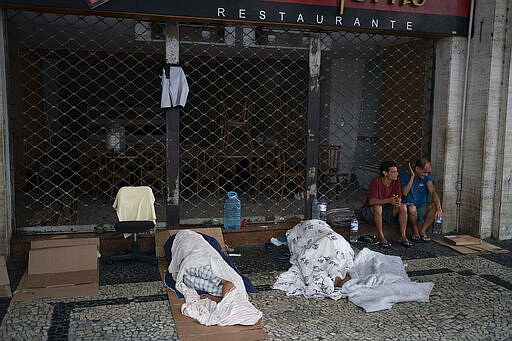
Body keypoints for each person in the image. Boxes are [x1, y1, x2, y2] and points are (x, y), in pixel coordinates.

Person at [361, 160, 411, 248]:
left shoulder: (396, 181)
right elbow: (371, 202)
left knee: (403, 206)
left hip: (386, 212)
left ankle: (403, 236)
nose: (397, 174)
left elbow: (398, 197)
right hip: (371, 213)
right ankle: (381, 236)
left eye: (396, 171)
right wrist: (388, 200)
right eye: (393, 172)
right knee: (378, 207)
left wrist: (397, 201)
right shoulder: (376, 181)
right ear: (385, 173)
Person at [399, 159, 443, 242]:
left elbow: (433, 191)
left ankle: (423, 231)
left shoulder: (426, 178)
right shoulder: (404, 175)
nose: (426, 175)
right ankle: (415, 231)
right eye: (424, 172)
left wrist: (439, 208)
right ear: (417, 169)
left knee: (434, 206)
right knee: (412, 208)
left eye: (428, 173)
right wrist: (412, 176)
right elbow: (404, 192)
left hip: (421, 208)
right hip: (408, 209)